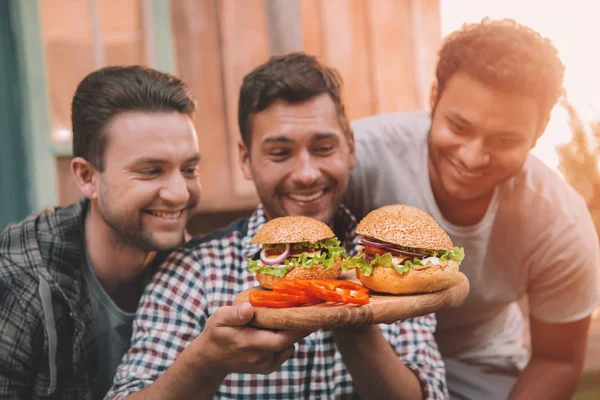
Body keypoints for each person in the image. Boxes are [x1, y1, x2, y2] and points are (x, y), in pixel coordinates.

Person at [107, 53, 447, 399]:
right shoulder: (193, 271)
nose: (306, 173)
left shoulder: (395, 268)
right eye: (280, 153)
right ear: (246, 160)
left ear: (350, 149)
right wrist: (206, 360)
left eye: (323, 147)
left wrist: (353, 318)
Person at [344, 18, 600, 400]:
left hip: (478, 359)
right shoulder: (356, 158)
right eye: (459, 127)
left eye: (504, 139)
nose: (472, 156)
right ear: (433, 98)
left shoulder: (562, 224)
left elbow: (557, 359)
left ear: (541, 128)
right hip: (361, 342)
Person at [0, 66, 201, 399]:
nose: (179, 193)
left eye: (189, 169)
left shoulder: (196, 270)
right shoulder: (17, 283)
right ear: (87, 177)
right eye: (151, 171)